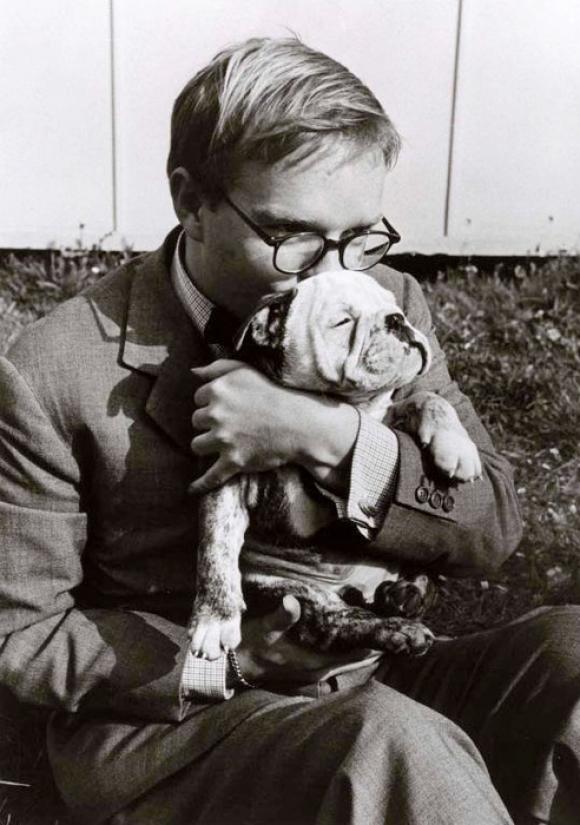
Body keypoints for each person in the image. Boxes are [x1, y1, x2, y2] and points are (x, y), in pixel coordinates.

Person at [0, 36, 578, 825]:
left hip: (372, 670)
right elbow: (23, 635)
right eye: (295, 236)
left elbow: (491, 527)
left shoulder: (382, 299)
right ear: (189, 199)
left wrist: (333, 442)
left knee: (571, 655)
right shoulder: (53, 370)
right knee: (391, 746)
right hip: (181, 729)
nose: (334, 271)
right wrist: (237, 657)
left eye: (361, 236)